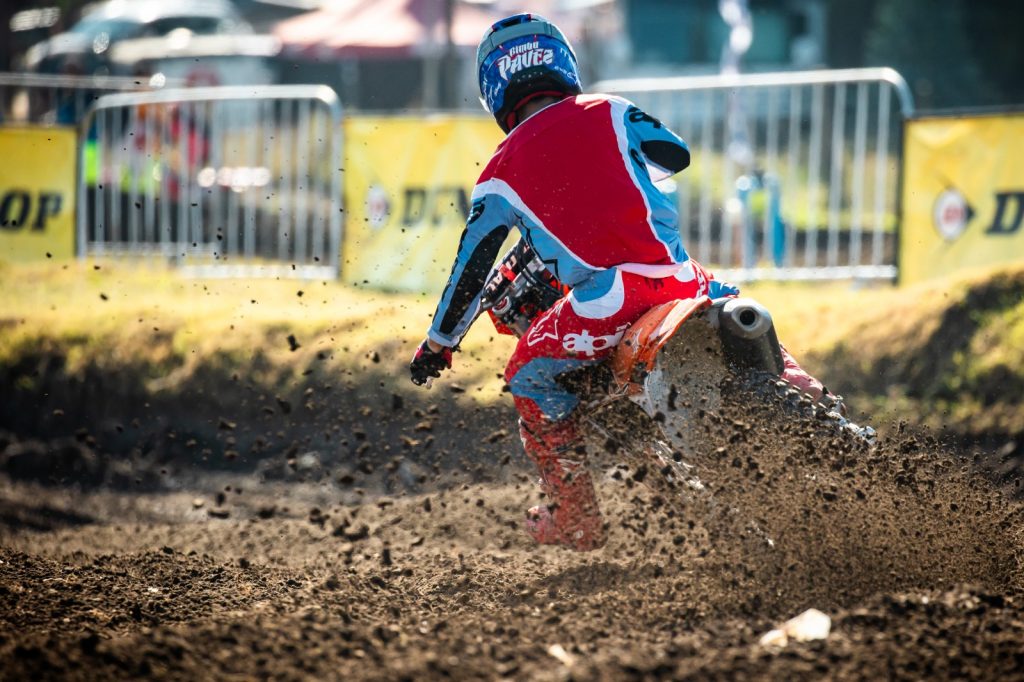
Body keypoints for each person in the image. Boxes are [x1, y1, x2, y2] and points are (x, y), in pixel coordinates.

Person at [409, 14, 830, 552]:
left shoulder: (498, 173)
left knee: (528, 378)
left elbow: (470, 269)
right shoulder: (611, 109)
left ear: (493, 88)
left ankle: (575, 517)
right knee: (742, 318)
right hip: (681, 279)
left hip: (608, 300)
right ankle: (822, 405)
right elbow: (674, 151)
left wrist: (439, 346)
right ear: (562, 61)